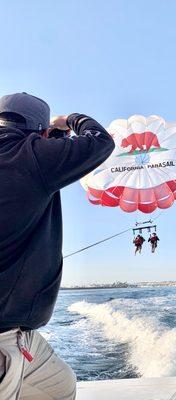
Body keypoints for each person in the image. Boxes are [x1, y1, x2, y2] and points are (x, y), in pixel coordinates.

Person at [0, 92, 115, 400]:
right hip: (2, 341)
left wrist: (49, 139)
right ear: (41, 133)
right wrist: (71, 120)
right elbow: (101, 141)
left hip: (18, 335)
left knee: (59, 386)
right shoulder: (33, 156)